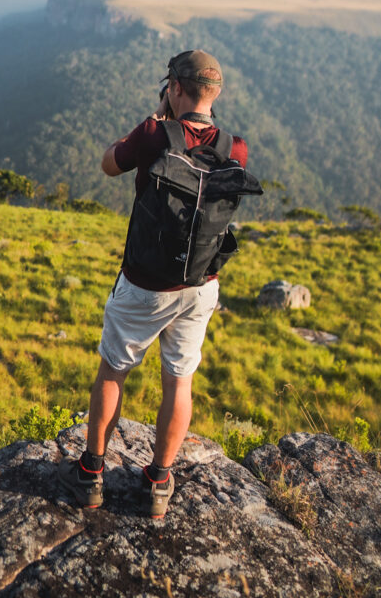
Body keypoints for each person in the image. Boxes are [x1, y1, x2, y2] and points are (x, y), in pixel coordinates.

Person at [58, 50, 248, 518]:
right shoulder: (234, 147)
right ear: (216, 93)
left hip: (144, 283)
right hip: (201, 284)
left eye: (169, 86)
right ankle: (160, 480)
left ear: (176, 88)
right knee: (178, 381)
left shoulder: (153, 133)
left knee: (112, 371)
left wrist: (150, 122)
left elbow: (108, 164)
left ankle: (91, 472)